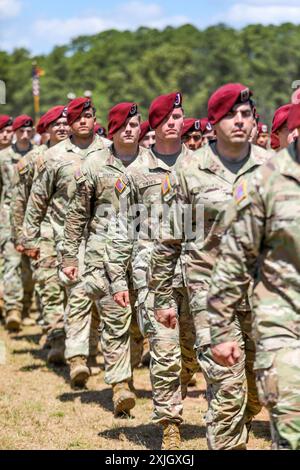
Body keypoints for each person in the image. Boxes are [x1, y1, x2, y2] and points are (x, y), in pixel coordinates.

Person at [149, 84, 269, 450]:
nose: (240, 121)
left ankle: (242, 414)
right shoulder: (190, 172)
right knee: (227, 385)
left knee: (259, 385)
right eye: (231, 114)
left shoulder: (272, 167)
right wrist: (163, 298)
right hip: (210, 295)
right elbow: (167, 240)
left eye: (246, 114)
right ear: (214, 122)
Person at [105, 92, 198, 449]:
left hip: (197, 273)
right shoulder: (137, 172)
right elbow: (120, 227)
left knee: (191, 352)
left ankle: (181, 385)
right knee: (163, 349)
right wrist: (117, 277)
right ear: (155, 126)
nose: (176, 122)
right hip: (152, 276)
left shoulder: (201, 165)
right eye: (168, 118)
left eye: (180, 116)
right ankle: (170, 422)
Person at [207, 102, 300, 450]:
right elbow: (233, 259)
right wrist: (218, 330)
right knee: (293, 429)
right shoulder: (264, 181)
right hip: (284, 323)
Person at [61, 102, 145, 416]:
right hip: (103, 254)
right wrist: (70, 255)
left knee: (138, 325)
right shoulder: (95, 165)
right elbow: (76, 215)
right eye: (123, 124)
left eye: (134, 124)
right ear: (112, 128)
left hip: (144, 255)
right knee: (116, 318)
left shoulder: (152, 164)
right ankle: (120, 384)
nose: (129, 129)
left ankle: (129, 367)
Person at [22, 97, 111, 384]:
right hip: (67, 238)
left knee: (103, 297)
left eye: (89, 115)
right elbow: (37, 200)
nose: (84, 121)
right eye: (78, 117)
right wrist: (30, 237)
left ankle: (93, 348)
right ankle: (76, 358)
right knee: (78, 294)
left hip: (106, 237)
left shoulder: (111, 151)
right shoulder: (54, 156)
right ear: (70, 123)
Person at [11, 106, 69, 363]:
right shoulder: (33, 161)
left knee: (74, 290)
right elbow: (19, 201)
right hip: (44, 231)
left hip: (75, 232)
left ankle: (76, 340)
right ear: (46, 128)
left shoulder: (81, 155)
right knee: (49, 285)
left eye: (66, 123)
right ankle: (57, 338)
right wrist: (20, 236)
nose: (63, 127)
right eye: (56, 124)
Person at [0, 115, 35, 331]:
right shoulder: (3, 156)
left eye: (27, 131)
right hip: (8, 216)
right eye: (20, 130)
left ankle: (26, 306)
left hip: (33, 217)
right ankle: (12, 308)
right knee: (11, 261)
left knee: (30, 266)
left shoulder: (39, 155)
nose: (24, 134)